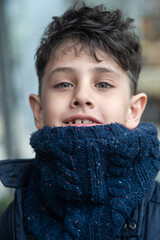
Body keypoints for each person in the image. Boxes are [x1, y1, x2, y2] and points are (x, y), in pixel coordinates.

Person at [0, 4, 160, 240]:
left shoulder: (156, 213)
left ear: (133, 110)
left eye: (103, 84)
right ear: (39, 110)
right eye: (64, 84)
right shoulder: (15, 219)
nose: (82, 96)